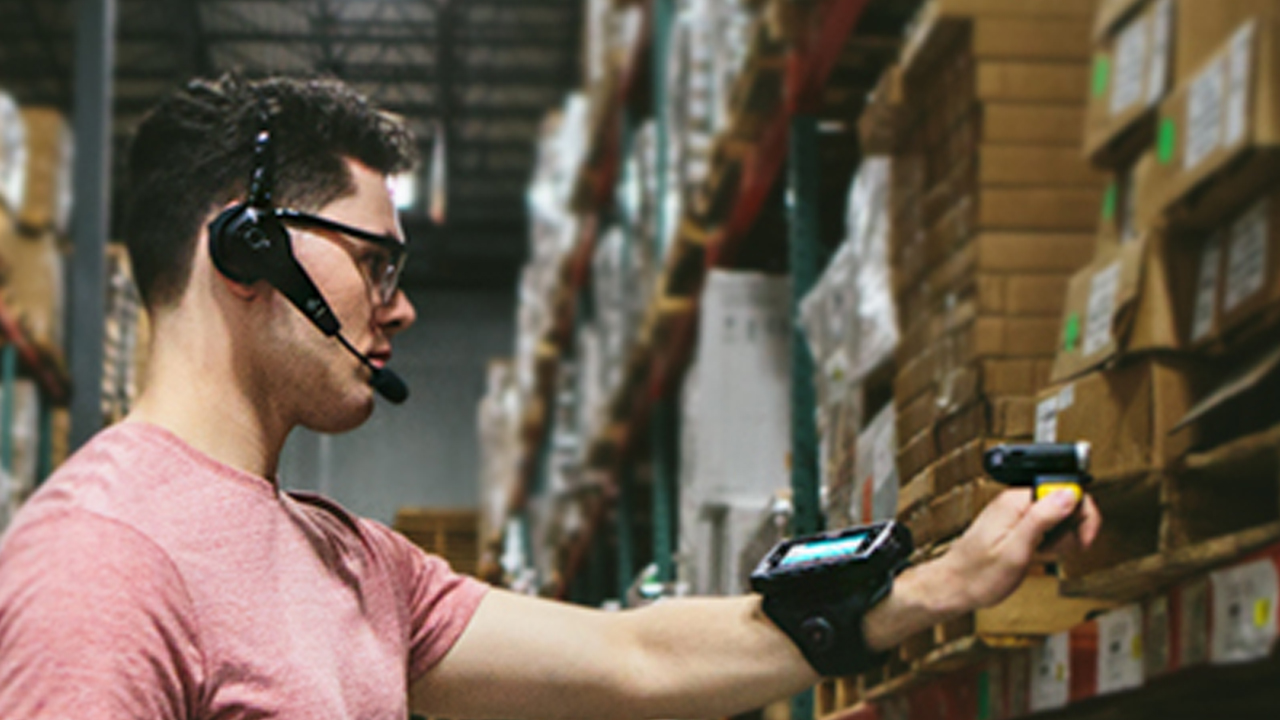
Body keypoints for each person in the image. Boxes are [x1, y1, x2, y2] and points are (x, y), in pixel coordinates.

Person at [0, 75, 1101, 720]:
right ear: (245, 250)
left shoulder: (352, 563)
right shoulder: (103, 563)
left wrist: (942, 582)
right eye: (375, 263)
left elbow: (635, 660)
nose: (402, 307)